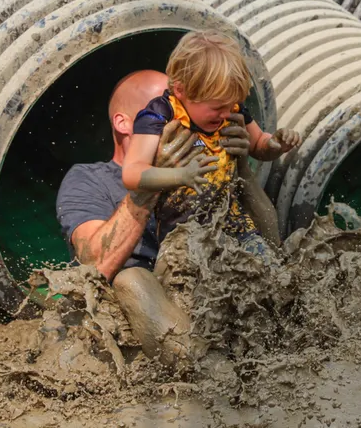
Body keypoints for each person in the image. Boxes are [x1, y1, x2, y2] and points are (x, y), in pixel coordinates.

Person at [54, 69, 263, 364]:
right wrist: (149, 184)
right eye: (166, 111)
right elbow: (93, 265)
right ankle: (207, 368)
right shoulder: (88, 179)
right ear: (125, 123)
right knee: (132, 279)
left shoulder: (207, 167)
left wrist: (242, 169)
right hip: (144, 315)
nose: (185, 121)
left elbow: (271, 241)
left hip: (207, 298)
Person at [122, 31, 301, 258]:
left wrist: (275, 144)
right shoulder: (160, 115)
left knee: (267, 265)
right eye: (217, 108)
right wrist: (181, 176)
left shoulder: (230, 109)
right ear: (181, 90)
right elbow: (132, 173)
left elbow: (257, 145)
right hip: (184, 234)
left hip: (235, 224)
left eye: (232, 105)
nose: (226, 114)